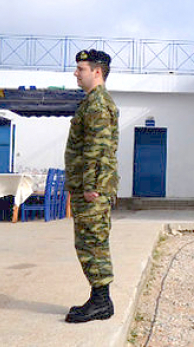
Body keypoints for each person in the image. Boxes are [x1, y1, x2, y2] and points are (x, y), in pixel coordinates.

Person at [64, 49, 120, 323]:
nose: (76, 73)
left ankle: (100, 302)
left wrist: (91, 186)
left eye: (81, 69)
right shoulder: (91, 103)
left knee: (92, 243)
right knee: (89, 242)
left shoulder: (97, 105)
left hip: (92, 189)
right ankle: (99, 299)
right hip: (89, 186)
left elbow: (97, 150)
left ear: (97, 72)